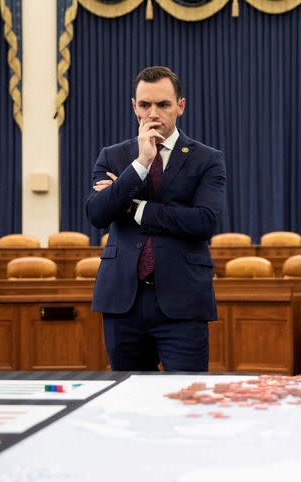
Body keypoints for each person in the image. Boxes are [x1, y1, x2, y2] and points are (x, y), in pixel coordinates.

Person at [86, 66, 226, 372]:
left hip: (182, 302)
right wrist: (141, 163)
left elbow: (204, 221)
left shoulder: (206, 158)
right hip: (123, 301)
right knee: (127, 404)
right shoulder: (113, 156)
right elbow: (97, 214)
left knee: (186, 401)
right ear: (134, 106)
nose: (153, 113)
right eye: (145, 104)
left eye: (163, 104)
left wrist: (134, 207)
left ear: (180, 106)